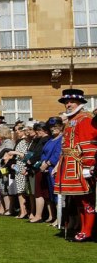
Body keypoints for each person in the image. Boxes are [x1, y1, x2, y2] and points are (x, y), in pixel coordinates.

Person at [53, 88, 97, 242]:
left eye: (72, 101)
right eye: (66, 102)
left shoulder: (85, 119)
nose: (68, 104)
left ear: (79, 102)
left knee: (86, 199)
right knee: (78, 199)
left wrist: (88, 166)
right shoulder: (71, 120)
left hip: (79, 164)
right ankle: (82, 228)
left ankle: (88, 231)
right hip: (69, 164)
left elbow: (89, 143)